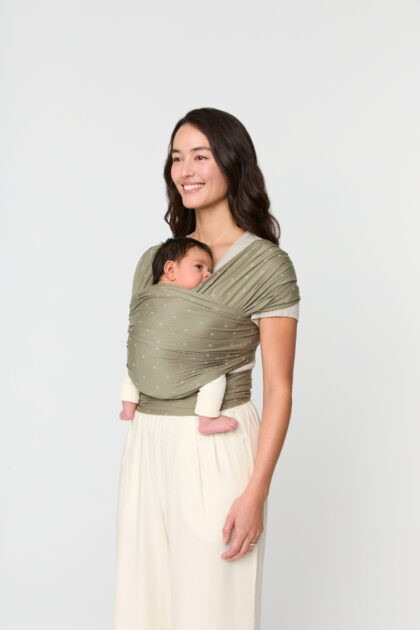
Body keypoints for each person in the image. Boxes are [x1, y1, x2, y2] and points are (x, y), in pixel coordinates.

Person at [113, 107, 300, 630]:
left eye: (201, 156)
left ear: (233, 162)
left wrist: (256, 492)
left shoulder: (267, 266)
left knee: (213, 612)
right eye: (177, 157)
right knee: (142, 609)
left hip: (216, 451)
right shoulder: (155, 261)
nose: (185, 170)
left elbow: (279, 390)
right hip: (147, 447)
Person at [121, 235, 251, 435]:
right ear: (170, 270)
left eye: (210, 270)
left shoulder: (174, 296)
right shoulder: (152, 297)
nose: (207, 274)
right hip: (159, 359)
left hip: (161, 363)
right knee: (214, 374)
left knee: (135, 368)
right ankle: (206, 418)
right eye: (199, 267)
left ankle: (128, 404)